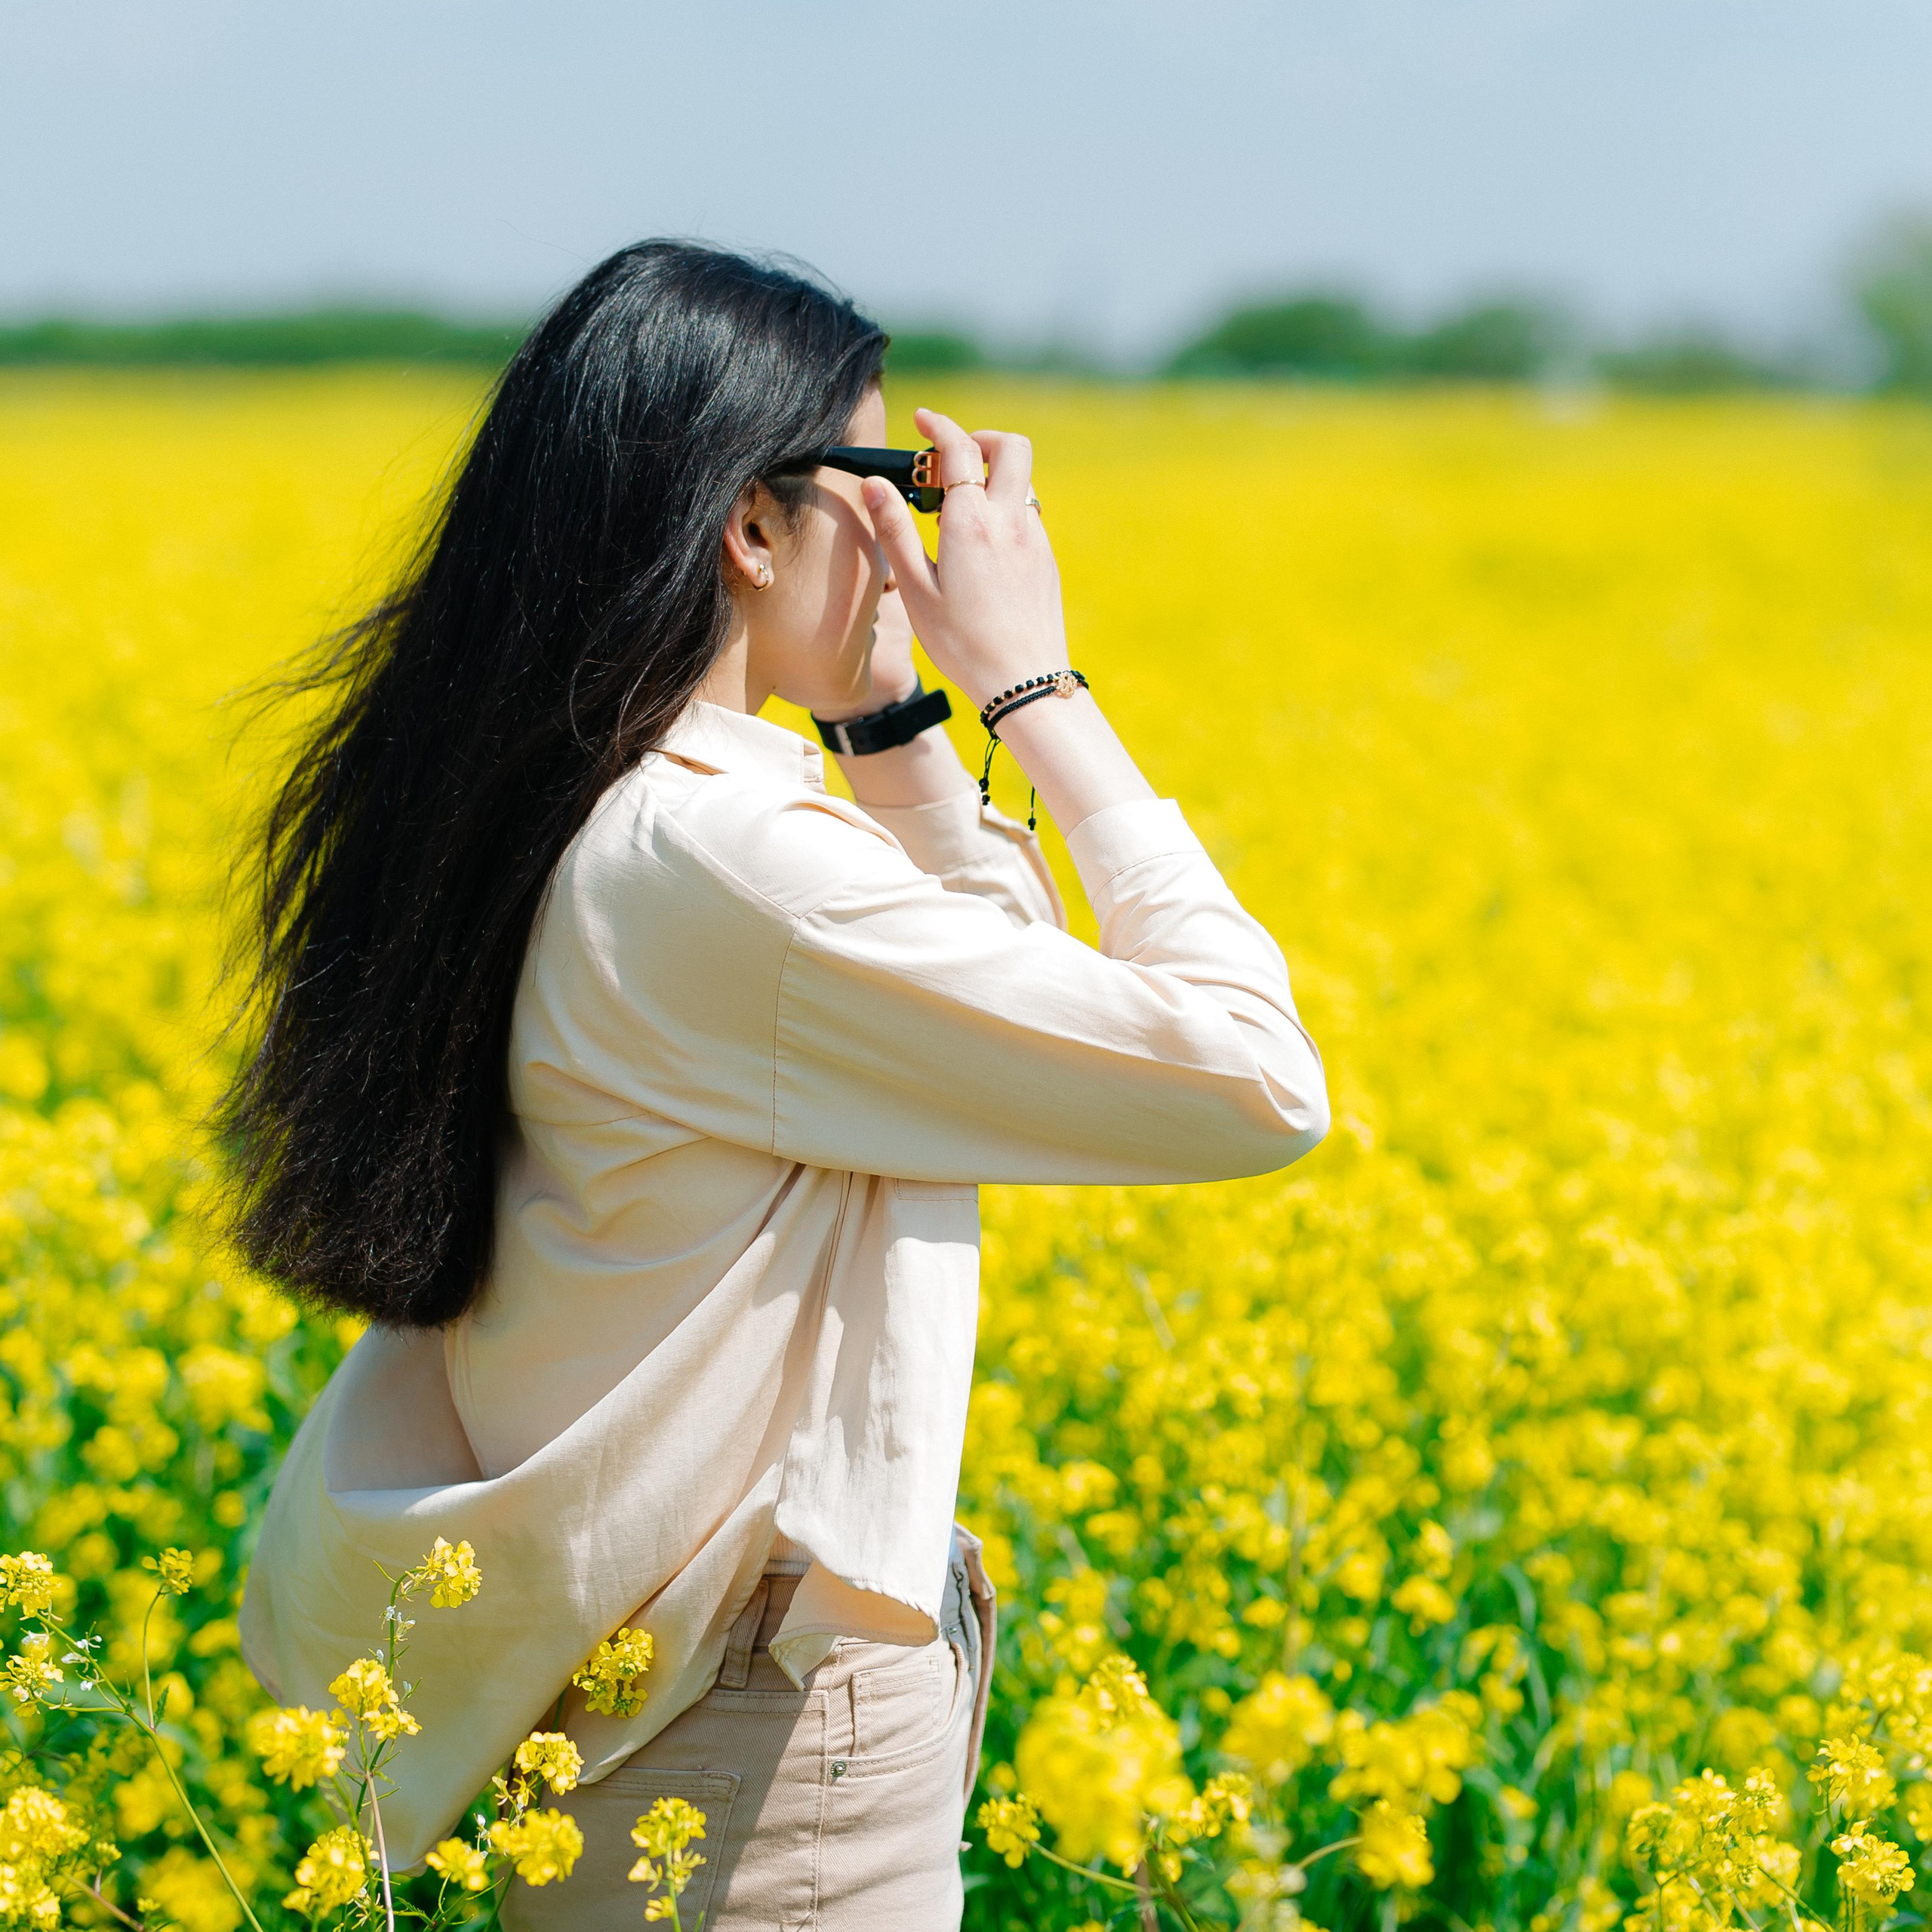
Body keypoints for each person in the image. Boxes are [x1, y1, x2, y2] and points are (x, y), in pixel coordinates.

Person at [229, 240, 1328, 1930]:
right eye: (886, 485)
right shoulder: (735, 870)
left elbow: (997, 1006)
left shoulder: (583, 807)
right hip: (755, 1750)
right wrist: (1034, 689)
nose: (914, 539)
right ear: (752, 525)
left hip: (637, 1713)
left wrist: (888, 718)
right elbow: (1251, 1079)